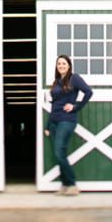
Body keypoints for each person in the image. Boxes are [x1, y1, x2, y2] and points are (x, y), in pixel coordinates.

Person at [45, 54, 92, 195]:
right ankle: (65, 185)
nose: (61, 66)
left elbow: (89, 92)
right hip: (54, 121)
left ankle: (72, 184)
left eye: (64, 63)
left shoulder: (74, 78)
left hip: (67, 120)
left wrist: (75, 106)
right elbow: (54, 105)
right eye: (59, 63)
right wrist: (48, 125)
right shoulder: (57, 81)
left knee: (59, 152)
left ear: (69, 65)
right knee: (59, 153)